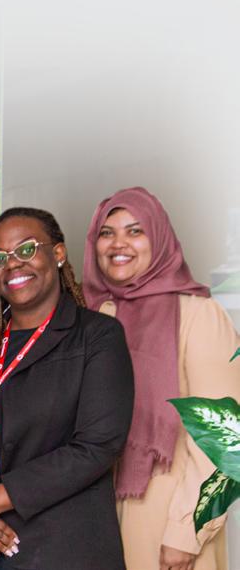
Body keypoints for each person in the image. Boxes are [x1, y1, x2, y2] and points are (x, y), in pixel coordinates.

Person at [0, 207, 135, 570]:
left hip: (61, 546)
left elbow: (97, 445)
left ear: (58, 254)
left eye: (26, 250)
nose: (12, 264)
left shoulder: (97, 336)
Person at [87, 188, 240, 570]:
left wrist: (187, 531)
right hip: (99, 516)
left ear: (159, 238)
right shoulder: (97, 315)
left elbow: (226, 438)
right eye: (107, 233)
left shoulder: (198, 314)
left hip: (168, 516)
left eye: (135, 231)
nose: (118, 244)